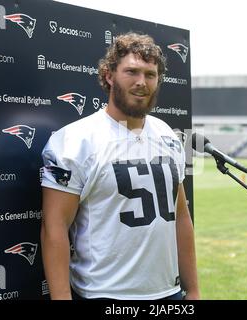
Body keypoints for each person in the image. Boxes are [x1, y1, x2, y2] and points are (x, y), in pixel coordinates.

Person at [40, 32, 199, 300]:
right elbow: (54, 228)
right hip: (104, 293)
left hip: (167, 293)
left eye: (150, 74)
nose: (141, 82)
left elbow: (181, 217)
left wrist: (193, 290)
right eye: (132, 72)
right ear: (109, 75)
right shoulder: (75, 140)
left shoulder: (168, 135)